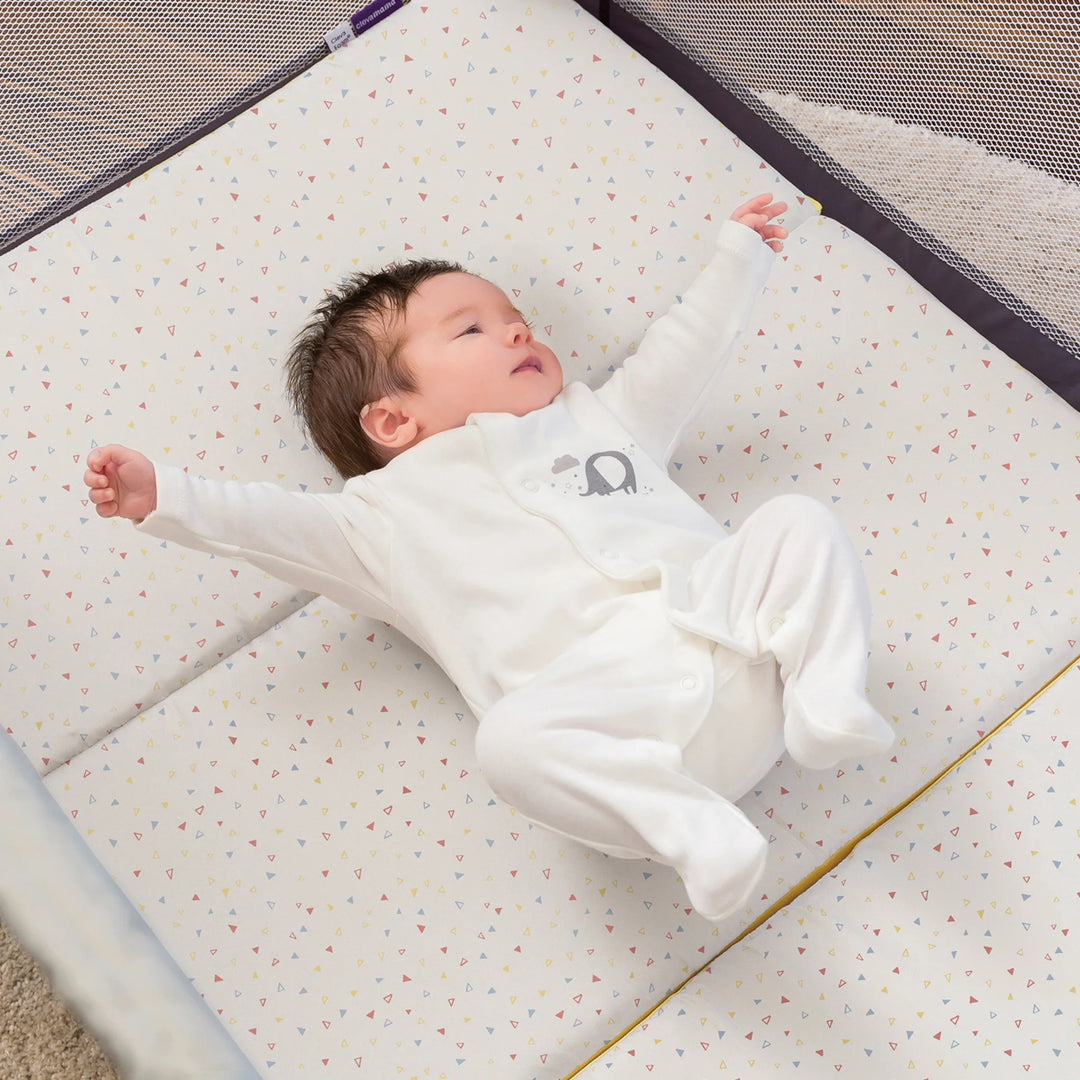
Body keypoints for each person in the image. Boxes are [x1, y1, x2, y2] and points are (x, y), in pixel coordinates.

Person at [83, 195, 894, 921]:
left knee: (796, 523)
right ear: (392, 423)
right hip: (621, 733)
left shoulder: (599, 420)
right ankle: (699, 833)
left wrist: (738, 259)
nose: (518, 330)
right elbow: (265, 524)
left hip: (741, 651)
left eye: (519, 319)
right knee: (510, 742)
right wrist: (168, 495)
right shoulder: (381, 521)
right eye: (472, 328)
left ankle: (824, 695)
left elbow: (682, 353)